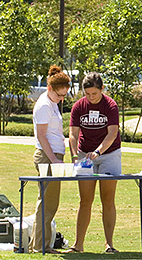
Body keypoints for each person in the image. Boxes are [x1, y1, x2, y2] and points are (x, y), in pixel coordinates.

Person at [68, 72, 121, 253]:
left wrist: (98, 152)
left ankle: (109, 245)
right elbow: (73, 134)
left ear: (102, 89)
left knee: (108, 199)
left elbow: (112, 133)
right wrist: (75, 155)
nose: (91, 97)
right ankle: (78, 245)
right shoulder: (78, 106)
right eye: (87, 94)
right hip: (85, 156)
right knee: (85, 200)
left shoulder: (111, 106)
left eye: (94, 94)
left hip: (109, 154)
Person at [30, 65, 71, 253]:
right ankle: (41, 246)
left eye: (64, 96)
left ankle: (40, 244)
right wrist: (54, 159)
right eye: (59, 95)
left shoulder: (52, 103)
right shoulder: (44, 105)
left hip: (53, 156)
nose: (61, 99)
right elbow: (41, 136)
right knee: (47, 202)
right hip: (47, 157)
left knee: (49, 201)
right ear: (49, 89)